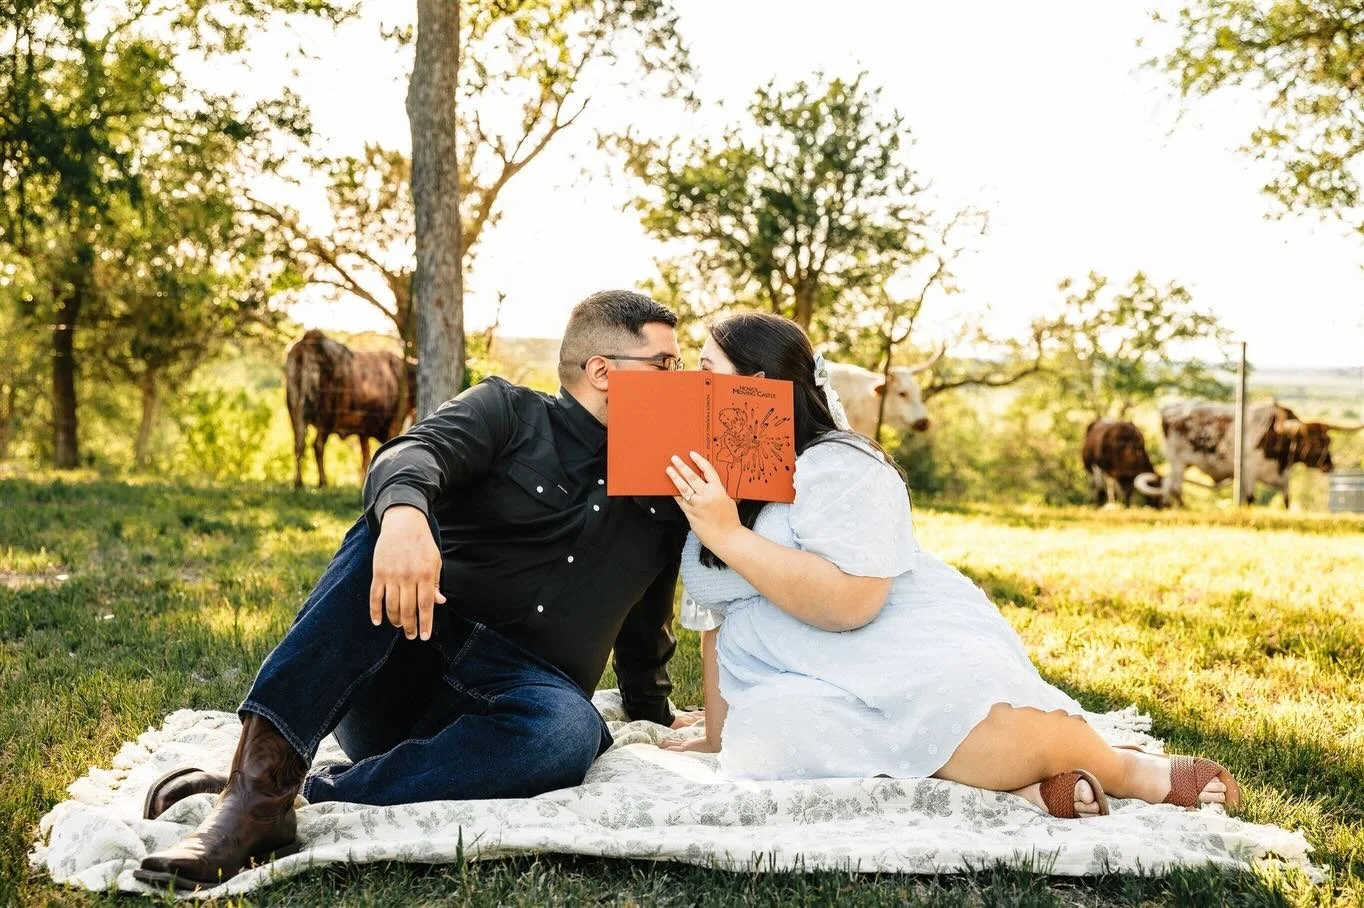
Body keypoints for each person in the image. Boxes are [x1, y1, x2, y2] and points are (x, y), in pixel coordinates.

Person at [136, 290, 699, 890]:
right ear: (602, 371)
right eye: (666, 364)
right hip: (410, 657)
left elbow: (647, 616)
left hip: (521, 705)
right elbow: (412, 452)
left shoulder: (667, 482)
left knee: (572, 732)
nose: (681, 378)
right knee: (383, 525)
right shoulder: (507, 410)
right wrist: (404, 516)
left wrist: (653, 710)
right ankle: (252, 793)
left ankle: (291, 795)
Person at [658, 312, 1240, 819]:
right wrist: (715, 733)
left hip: (882, 641)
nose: (689, 385)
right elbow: (716, 611)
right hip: (785, 670)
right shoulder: (714, 474)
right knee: (769, 742)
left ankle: (1124, 771)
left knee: (952, 712)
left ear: (756, 385)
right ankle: (1015, 792)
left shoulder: (838, 466)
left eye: (706, 370)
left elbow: (852, 604)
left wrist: (729, 534)